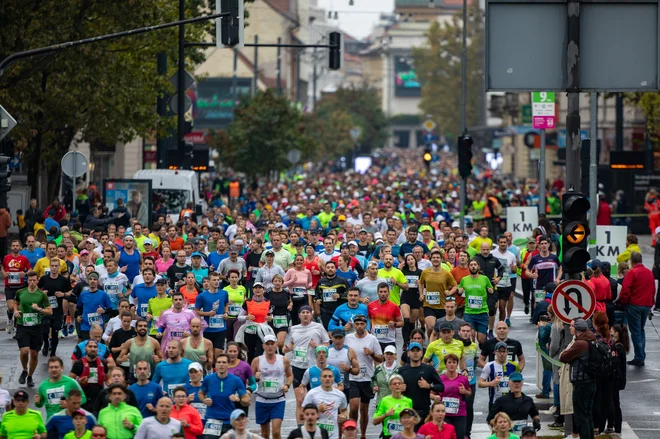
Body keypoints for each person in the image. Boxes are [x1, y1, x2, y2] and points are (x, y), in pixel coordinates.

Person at [284, 305, 330, 424]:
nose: (305, 314)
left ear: (311, 315)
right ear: (299, 315)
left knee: (316, 400)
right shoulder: (293, 328)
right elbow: (292, 344)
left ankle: (316, 427)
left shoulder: (318, 327)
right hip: (298, 366)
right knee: (299, 400)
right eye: (303, 312)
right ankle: (300, 430)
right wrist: (287, 349)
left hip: (314, 367)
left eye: (307, 312)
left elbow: (327, 343)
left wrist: (318, 346)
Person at [345, 314, 382, 438]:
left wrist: (371, 354)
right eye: (357, 324)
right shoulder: (348, 338)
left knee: (364, 409)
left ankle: (363, 435)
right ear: (354, 325)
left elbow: (380, 358)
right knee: (354, 407)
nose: (359, 326)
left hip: (367, 378)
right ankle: (352, 432)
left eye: (362, 324)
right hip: (353, 377)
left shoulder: (372, 339)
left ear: (366, 324)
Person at [559, 318, 597, 439]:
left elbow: (563, 357)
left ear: (577, 329)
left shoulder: (580, 343)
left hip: (581, 383)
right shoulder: (591, 339)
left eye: (571, 326)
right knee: (588, 414)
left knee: (581, 417)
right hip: (591, 381)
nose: (570, 328)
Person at [251, 334, 293, 439]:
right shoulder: (257, 360)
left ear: (276, 345)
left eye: (272, 344)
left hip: (278, 400)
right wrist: (255, 378)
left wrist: (287, 385)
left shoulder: (283, 360)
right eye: (267, 344)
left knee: (275, 431)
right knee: (264, 434)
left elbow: (290, 375)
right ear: (263, 346)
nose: (270, 346)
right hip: (262, 400)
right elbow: (249, 381)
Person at [617, 252, 655, 366]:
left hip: (634, 305)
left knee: (635, 331)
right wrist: (651, 303)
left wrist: (621, 302)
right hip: (646, 304)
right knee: (641, 330)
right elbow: (653, 289)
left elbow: (625, 291)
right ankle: (641, 355)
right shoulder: (649, 273)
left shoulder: (632, 273)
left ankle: (639, 357)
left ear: (631, 261)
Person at [199, 354, 251, 436]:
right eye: (219, 362)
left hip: (229, 420)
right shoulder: (208, 379)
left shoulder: (236, 380)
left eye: (224, 362)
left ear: (228, 365)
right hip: (212, 420)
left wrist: (238, 399)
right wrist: (204, 400)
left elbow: (247, 401)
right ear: (215, 365)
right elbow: (201, 393)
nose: (221, 365)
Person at [398, 342, 444, 427]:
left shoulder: (428, 369)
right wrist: (399, 389)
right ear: (408, 353)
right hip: (408, 411)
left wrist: (429, 386)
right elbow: (394, 389)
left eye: (417, 350)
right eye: (413, 351)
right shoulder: (402, 371)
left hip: (424, 412)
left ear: (422, 353)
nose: (415, 353)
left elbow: (441, 387)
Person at [419, 250, 456, 339]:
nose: (435, 259)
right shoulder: (425, 272)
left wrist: (450, 293)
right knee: (431, 327)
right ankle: (430, 345)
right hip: (429, 305)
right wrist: (421, 294)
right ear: (430, 259)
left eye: (438, 258)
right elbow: (420, 283)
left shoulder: (446, 273)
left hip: (442, 306)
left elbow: (455, 285)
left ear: (441, 259)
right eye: (434, 258)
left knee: (441, 330)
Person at [302, 369, 349, 439]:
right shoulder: (312, 393)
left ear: (333, 379)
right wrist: (317, 410)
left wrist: (344, 416)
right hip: (315, 434)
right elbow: (301, 414)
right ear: (320, 378)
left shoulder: (340, 395)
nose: (327, 379)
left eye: (330, 376)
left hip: (333, 434)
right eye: (325, 376)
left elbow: (344, 410)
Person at [434, 354, 470, 439]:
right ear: (445, 364)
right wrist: (434, 397)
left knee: (459, 437)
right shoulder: (440, 379)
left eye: (454, 362)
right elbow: (431, 393)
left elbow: (469, 393)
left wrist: (464, 391)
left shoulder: (463, 379)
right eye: (449, 362)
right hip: (443, 415)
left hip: (459, 414)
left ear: (457, 364)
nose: (451, 364)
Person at [195, 272, 229, 358]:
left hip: (221, 328)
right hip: (208, 329)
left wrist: (226, 313)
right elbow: (196, 311)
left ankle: (217, 370)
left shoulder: (224, 293)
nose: (217, 282)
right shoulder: (202, 296)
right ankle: (209, 370)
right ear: (209, 281)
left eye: (218, 280)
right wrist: (207, 314)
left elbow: (226, 304)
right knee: (209, 354)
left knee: (218, 353)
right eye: (214, 280)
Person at [2, 239, 31, 336]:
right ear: (11, 247)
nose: (15, 247)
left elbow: (30, 270)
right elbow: (2, 267)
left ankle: (15, 328)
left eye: (17, 246)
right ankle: (10, 320)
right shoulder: (6, 258)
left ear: (20, 247)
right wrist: (4, 273)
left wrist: (25, 273)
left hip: (20, 286)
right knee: (11, 307)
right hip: (9, 286)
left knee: (18, 308)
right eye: (13, 246)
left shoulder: (24, 259)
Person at [478, 341, 521, 408]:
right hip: (495, 403)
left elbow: (519, 383)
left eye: (504, 351)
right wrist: (491, 383)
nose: (502, 354)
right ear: (495, 352)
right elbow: (480, 383)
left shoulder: (514, 366)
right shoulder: (489, 365)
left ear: (507, 352)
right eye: (499, 351)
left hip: (511, 403)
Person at [69, 339, 107, 412]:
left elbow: (108, 379)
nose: (93, 349)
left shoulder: (103, 363)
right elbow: (70, 381)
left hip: (98, 399)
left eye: (95, 347)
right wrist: (78, 382)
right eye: (90, 346)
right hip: (84, 398)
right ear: (85, 349)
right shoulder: (78, 363)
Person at [372, 374, 413, 439]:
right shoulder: (384, 400)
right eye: (394, 384)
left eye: (399, 383)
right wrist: (386, 414)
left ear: (402, 386)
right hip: (389, 436)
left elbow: (412, 421)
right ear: (390, 387)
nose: (397, 385)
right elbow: (374, 421)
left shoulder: (408, 401)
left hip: (404, 436)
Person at [368, 283, 403, 351]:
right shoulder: (370, 306)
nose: (383, 294)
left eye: (385, 291)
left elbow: (401, 323)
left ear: (388, 292)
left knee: (390, 361)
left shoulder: (394, 306)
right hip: (375, 340)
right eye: (381, 291)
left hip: (389, 341)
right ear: (377, 293)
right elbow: (369, 321)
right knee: (377, 361)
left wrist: (394, 324)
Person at [490, 236, 517, 326]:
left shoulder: (511, 255)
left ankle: (501, 324)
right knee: (493, 307)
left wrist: (514, 269)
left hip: (506, 285)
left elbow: (514, 270)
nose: (502, 244)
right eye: (501, 242)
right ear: (498, 242)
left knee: (502, 307)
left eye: (504, 242)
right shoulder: (492, 253)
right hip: (494, 284)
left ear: (507, 243)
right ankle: (491, 325)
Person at [611, 324, 629, 434]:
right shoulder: (620, 346)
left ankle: (617, 426)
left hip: (616, 379)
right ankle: (615, 424)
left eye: (611, 331)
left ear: (616, 333)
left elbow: (616, 364)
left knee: (615, 403)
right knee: (614, 402)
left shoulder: (618, 347)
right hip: (618, 379)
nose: (610, 332)